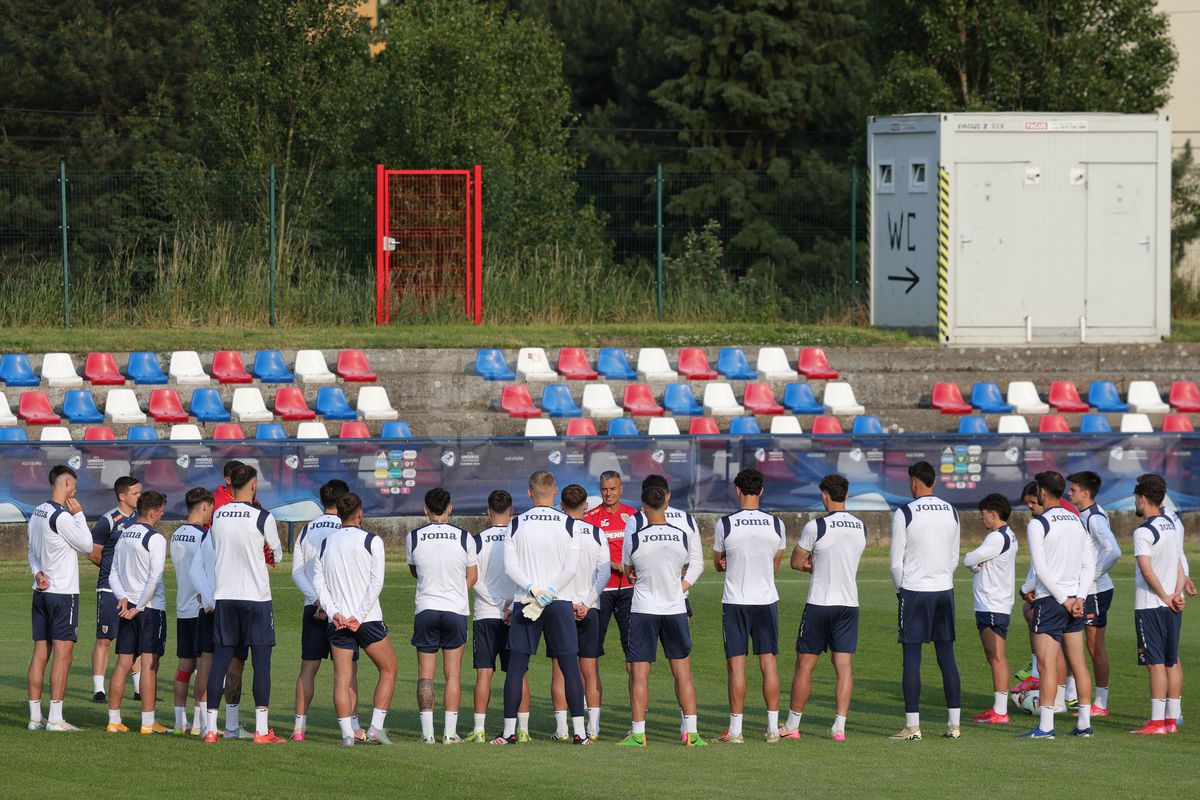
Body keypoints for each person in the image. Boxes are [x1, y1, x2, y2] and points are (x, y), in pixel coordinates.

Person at [494, 471, 588, 745]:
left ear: (529, 492)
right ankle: (579, 733)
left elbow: (511, 568)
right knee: (570, 666)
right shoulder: (570, 524)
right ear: (555, 490)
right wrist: (548, 593)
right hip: (558, 601)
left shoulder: (515, 524)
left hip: (527, 602)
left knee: (516, 668)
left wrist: (535, 592)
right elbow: (571, 568)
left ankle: (509, 731)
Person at [618, 483, 707, 748]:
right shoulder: (681, 534)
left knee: (639, 674)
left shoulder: (634, 537)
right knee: (683, 673)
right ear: (666, 504)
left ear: (643, 509)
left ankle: (638, 734)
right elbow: (696, 564)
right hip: (675, 609)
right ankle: (691, 734)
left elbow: (627, 571)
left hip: (644, 609)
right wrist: (681, 587)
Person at [780, 474, 866, 742]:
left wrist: (813, 565)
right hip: (849, 604)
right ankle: (839, 727)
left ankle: (793, 725)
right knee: (844, 667)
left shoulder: (816, 526)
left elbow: (796, 562)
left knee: (805, 666)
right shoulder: (860, 526)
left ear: (824, 495)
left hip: (820, 602)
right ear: (847, 495)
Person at [202, 464, 284, 743]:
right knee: (261, 665)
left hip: (225, 597)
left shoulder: (217, 514)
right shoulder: (263, 516)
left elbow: (214, 548)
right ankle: (261, 731)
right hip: (256, 599)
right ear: (252, 485)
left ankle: (212, 729)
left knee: (220, 664)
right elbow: (278, 554)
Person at [313, 493, 397, 746]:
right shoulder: (372, 540)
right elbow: (376, 582)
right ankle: (375, 728)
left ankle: (348, 735)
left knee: (342, 678)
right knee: (389, 669)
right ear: (360, 513)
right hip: (367, 619)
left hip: (338, 622)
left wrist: (334, 612)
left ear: (338, 514)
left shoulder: (327, 543)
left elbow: (319, 582)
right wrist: (357, 617)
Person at [711, 468, 787, 744]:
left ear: (737, 490)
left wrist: (727, 563)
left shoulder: (726, 524)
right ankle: (772, 729)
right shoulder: (776, 524)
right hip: (766, 600)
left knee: (737, 666)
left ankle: (736, 731)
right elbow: (774, 566)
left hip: (736, 602)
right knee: (769, 664)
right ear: (762, 491)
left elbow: (718, 563)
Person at [1018, 470, 1095, 739]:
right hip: (1075, 599)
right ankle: (1084, 724)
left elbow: (1040, 569)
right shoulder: (1076, 520)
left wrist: (1063, 600)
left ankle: (1046, 726)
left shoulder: (1039, 523)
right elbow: (1089, 564)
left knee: (1047, 665)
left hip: (1053, 601)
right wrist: (1080, 599)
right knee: (1079, 663)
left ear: (1042, 491)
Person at [889, 461, 962, 741]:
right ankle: (954, 725)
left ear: (914, 482)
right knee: (947, 659)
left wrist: (901, 590)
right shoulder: (951, 510)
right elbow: (954, 557)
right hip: (944, 590)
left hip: (915, 590)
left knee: (912, 660)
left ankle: (913, 726)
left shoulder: (905, 512)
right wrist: (940, 575)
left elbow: (896, 563)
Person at [406, 487, 477, 743]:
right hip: (455, 610)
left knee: (426, 674)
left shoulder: (413, 536)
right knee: (453, 674)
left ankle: (427, 735)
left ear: (426, 509)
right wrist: (457, 592)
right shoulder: (464, 537)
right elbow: (473, 576)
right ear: (450, 508)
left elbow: (415, 570)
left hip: (426, 608)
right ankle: (449, 733)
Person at [27, 464, 92, 732]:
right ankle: (55, 718)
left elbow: (31, 551)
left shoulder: (36, 512)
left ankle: (34, 718)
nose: (75, 491)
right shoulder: (62, 516)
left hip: (41, 592)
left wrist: (37, 572)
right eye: (74, 486)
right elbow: (87, 546)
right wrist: (80, 516)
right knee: (64, 656)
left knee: (40, 653)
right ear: (65, 484)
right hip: (63, 594)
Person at [290, 479, 351, 742]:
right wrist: (330, 604)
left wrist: (317, 600)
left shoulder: (306, 530)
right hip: (341, 611)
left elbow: (297, 572)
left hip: (313, 608)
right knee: (347, 673)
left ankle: (298, 728)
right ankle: (351, 727)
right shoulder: (348, 529)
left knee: (307, 669)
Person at [467, 490, 530, 742]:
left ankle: (479, 730)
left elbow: (474, 580)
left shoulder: (477, 540)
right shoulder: (518, 537)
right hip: (516, 613)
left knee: (484, 673)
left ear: (488, 511)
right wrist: (510, 604)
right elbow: (525, 574)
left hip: (486, 613)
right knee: (518, 673)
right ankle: (523, 730)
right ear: (512, 511)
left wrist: (496, 602)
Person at [549, 484, 610, 741]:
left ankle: (562, 729)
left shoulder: (556, 533)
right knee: (590, 668)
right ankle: (593, 728)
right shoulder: (597, 533)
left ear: (561, 506)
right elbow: (604, 573)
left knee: (559, 669)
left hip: (561, 605)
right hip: (590, 607)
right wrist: (586, 602)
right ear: (587, 505)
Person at [106, 491, 170, 734]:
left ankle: (113, 720)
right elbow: (154, 578)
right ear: (153, 512)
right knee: (149, 665)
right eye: (161, 510)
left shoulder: (124, 535)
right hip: (149, 609)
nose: (163, 514)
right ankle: (148, 722)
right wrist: (138, 607)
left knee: (123, 663)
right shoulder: (155, 539)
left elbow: (112, 573)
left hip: (128, 606)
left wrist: (122, 598)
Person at [1129, 474, 1186, 734]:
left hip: (1151, 605)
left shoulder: (1143, 531)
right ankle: (1171, 720)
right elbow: (1178, 563)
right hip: (1172, 604)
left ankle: (1157, 722)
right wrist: (1177, 594)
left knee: (1155, 663)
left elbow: (1147, 572)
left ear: (1142, 498)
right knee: (1171, 660)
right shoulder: (1171, 525)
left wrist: (1164, 596)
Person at [1068, 471, 1122, 717]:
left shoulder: (1094, 518)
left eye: (1074, 489)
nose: (1070, 493)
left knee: (1094, 646)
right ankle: (1071, 696)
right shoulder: (1085, 515)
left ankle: (1101, 703)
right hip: (1086, 590)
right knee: (1073, 643)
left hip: (1096, 592)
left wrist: (1093, 575)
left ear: (1085, 493)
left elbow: (1113, 551)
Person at [963, 493, 1018, 724]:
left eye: (983, 514)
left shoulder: (996, 538)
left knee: (996, 657)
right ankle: (998, 707)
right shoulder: (1008, 535)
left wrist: (974, 563)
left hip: (992, 604)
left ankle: (1000, 711)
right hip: (995, 602)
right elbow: (977, 564)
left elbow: (968, 559)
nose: (981, 519)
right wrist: (977, 566)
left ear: (994, 514)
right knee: (994, 656)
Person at [87, 475, 140, 703]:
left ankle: (139, 690)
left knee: (135, 640)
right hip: (109, 590)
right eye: (136, 493)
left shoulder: (141, 519)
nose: (140, 496)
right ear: (122, 496)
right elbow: (93, 552)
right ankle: (99, 690)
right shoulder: (108, 520)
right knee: (105, 639)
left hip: (135, 590)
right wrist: (112, 570)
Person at [169, 487, 214, 735]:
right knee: (203, 666)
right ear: (205, 506)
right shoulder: (203, 536)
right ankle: (199, 723)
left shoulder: (175, 535)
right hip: (200, 609)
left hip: (182, 607)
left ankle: (179, 722)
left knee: (184, 666)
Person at [584, 471, 636, 666]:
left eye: (612, 489)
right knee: (592, 648)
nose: (608, 493)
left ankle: (636, 698)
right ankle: (587, 697)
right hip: (600, 591)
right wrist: (610, 565)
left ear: (621, 489)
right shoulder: (590, 518)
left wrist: (632, 566)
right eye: (604, 489)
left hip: (630, 590)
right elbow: (584, 555)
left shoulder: (633, 515)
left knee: (632, 649)